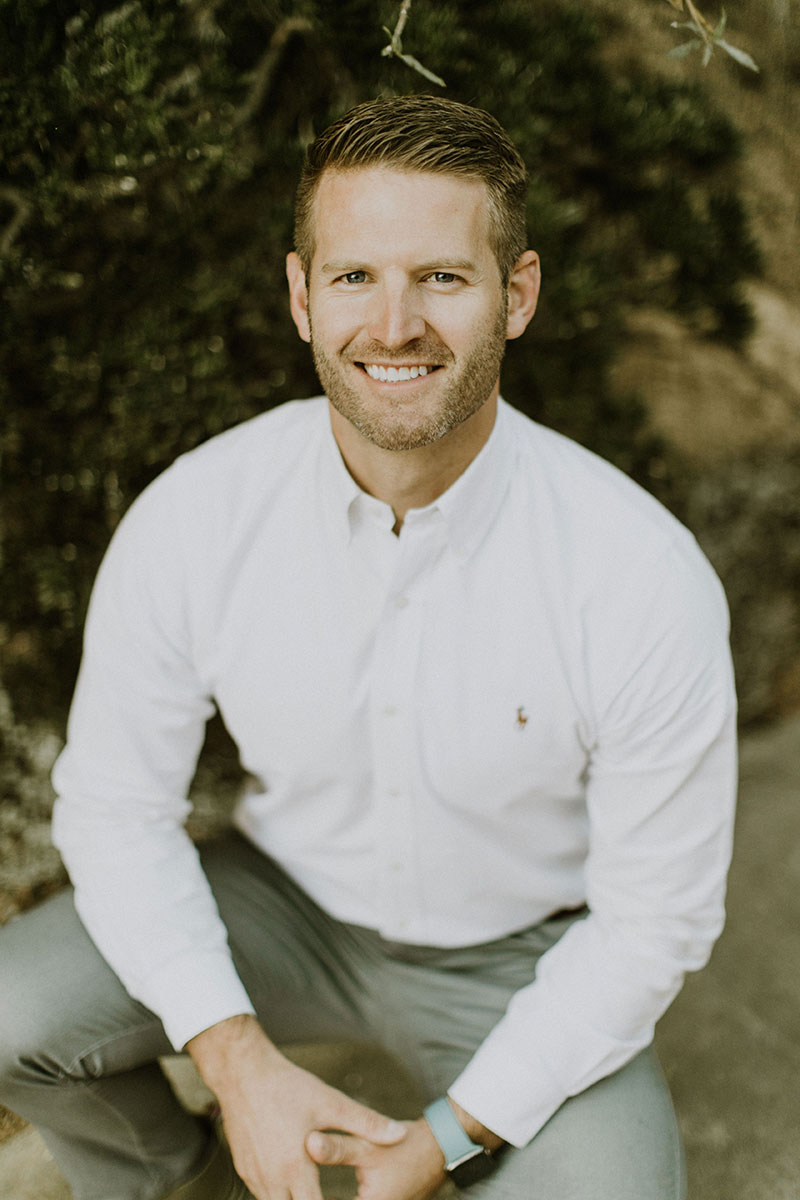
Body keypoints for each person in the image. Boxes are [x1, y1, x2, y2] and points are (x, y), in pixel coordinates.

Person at [0, 95, 737, 1200]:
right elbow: (114, 807)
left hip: (519, 954)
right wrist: (237, 1065)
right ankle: (186, 1185)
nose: (392, 325)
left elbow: (653, 919)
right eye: (353, 277)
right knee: (13, 1015)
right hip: (282, 907)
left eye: (440, 276)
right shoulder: (197, 516)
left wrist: (438, 1141)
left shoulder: (636, 572)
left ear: (516, 295)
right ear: (301, 297)